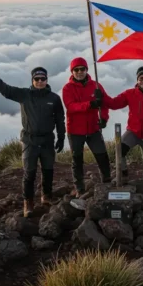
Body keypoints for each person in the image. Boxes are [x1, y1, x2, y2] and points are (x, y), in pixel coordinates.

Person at [0, 61, 65, 217]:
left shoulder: (54, 98)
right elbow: (5, 90)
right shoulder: (24, 94)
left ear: (47, 80)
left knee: (48, 170)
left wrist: (61, 137)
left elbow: (60, 119)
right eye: (37, 79)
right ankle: (29, 203)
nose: (40, 82)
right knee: (29, 173)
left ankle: (46, 197)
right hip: (29, 140)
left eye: (42, 79)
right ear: (32, 80)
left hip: (47, 140)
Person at [102, 66, 143, 182]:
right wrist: (102, 96)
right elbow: (113, 104)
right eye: (141, 78)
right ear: (137, 79)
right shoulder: (130, 93)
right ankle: (124, 175)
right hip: (133, 132)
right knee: (119, 150)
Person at [61, 57, 112, 196]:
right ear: (72, 71)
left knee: (102, 156)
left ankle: (107, 182)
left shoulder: (96, 86)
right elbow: (70, 107)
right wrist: (90, 104)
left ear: (86, 69)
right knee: (77, 160)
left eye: (82, 69)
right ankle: (79, 189)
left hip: (93, 128)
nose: (79, 72)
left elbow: (105, 103)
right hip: (75, 130)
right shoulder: (68, 88)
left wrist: (104, 118)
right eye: (76, 69)